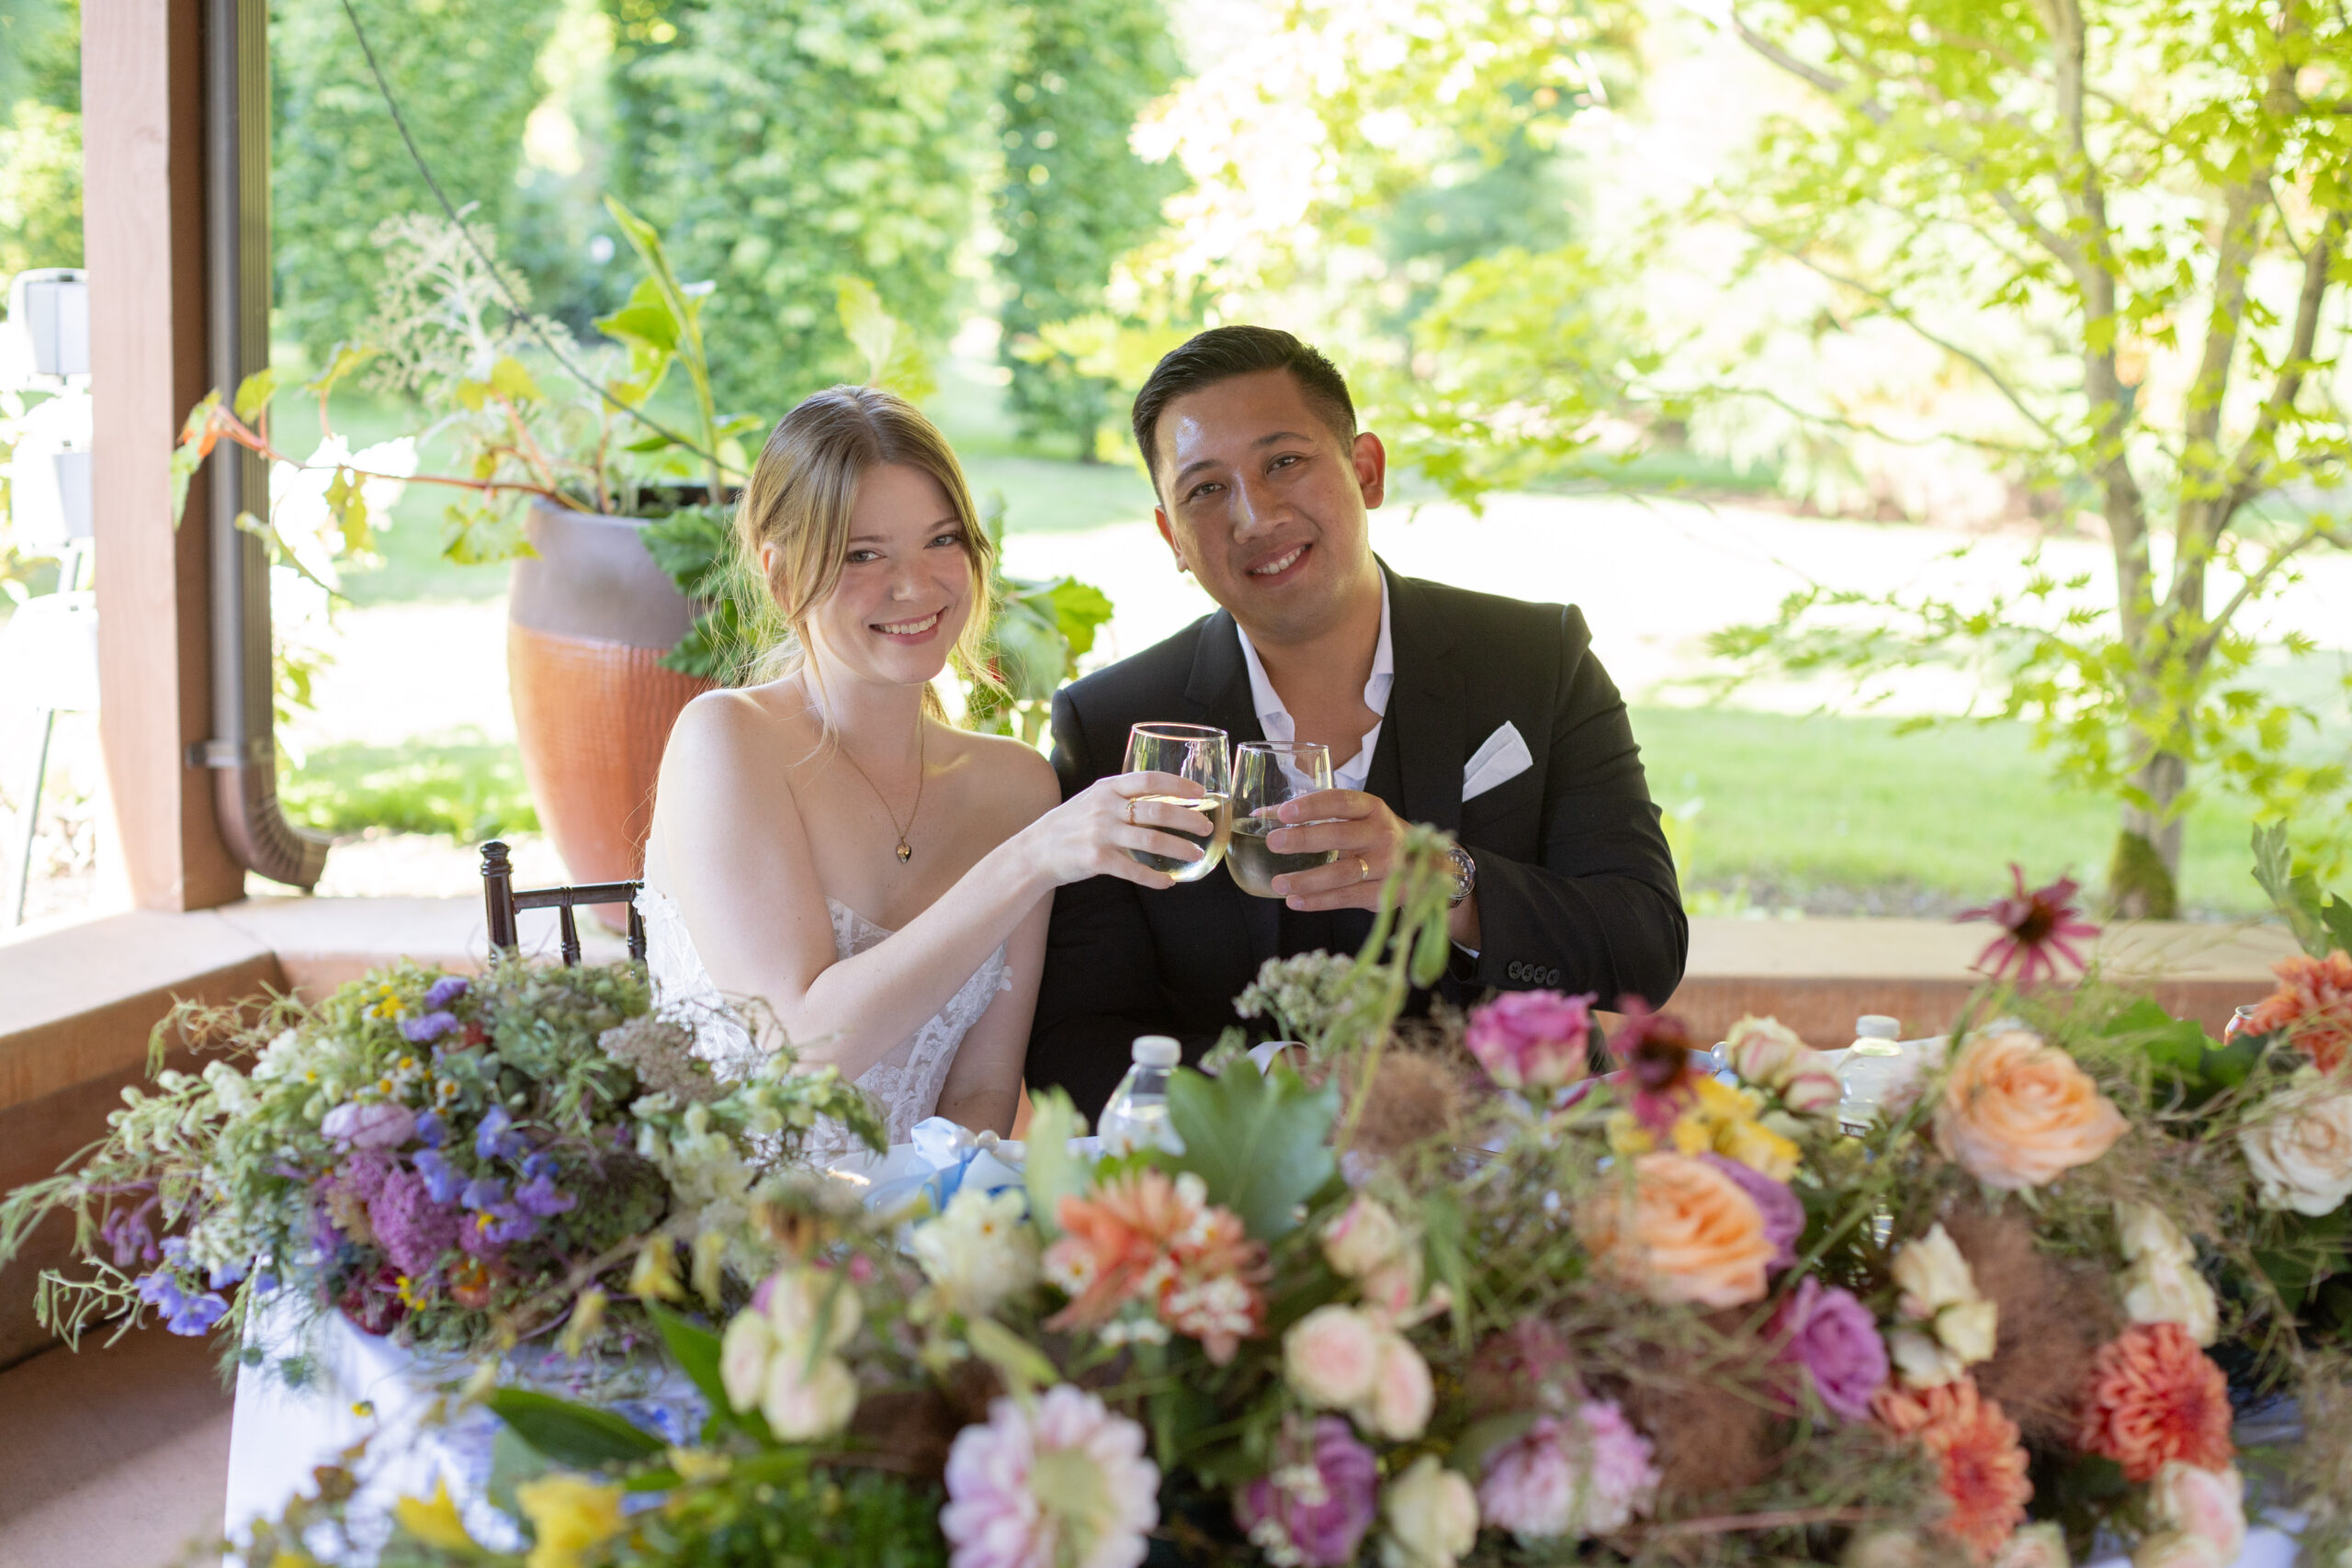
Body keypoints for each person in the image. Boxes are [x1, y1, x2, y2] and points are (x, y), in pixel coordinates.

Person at [1026, 327, 1688, 1119]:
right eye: (1205, 489)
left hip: (1531, 1152)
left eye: (1284, 462)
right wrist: (1266, 1080)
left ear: (1366, 470)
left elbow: (1645, 947)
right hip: (1251, 1176)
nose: (1254, 515)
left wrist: (1453, 885)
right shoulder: (1114, 724)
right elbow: (1072, 1043)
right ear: (1171, 535)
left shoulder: (1536, 658)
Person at [638, 385, 1208, 1159]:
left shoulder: (1016, 788)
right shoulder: (729, 741)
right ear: (781, 577)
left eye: (942, 540)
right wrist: (1032, 858)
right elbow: (796, 1051)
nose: (916, 584)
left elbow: (981, 1090)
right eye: (863, 553)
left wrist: (943, 1223)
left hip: (924, 1218)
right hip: (734, 1216)